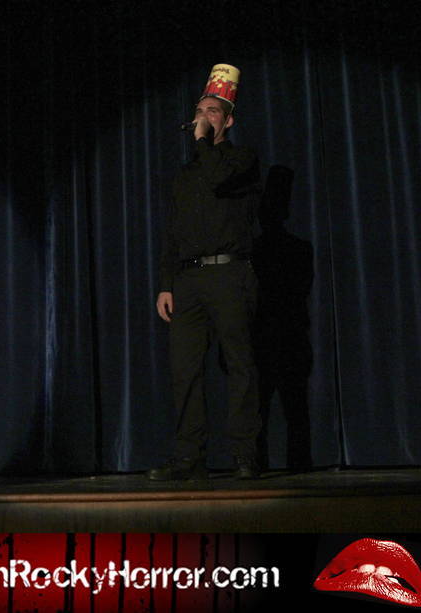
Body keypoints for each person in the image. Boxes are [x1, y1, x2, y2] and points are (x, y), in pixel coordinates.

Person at [149, 64, 261, 481]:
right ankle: (187, 456)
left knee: (239, 365)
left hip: (230, 274)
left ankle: (244, 454)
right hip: (189, 279)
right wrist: (166, 284)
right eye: (199, 111)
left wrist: (203, 141)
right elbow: (173, 233)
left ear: (228, 121)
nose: (203, 117)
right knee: (185, 371)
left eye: (212, 111)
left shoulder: (241, 160)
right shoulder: (185, 175)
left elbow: (218, 177)